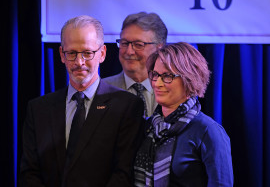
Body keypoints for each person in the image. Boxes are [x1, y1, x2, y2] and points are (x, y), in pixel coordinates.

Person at [20, 15, 144, 187]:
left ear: (102, 54)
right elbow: (29, 173)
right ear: (62, 55)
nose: (79, 62)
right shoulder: (38, 109)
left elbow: (124, 173)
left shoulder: (127, 106)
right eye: (71, 53)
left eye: (87, 53)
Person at [134, 42, 234, 186]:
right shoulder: (148, 126)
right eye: (155, 75)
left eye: (167, 76)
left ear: (189, 79)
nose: (157, 83)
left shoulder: (208, 131)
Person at [103, 12, 168, 118]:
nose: (129, 51)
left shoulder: (174, 90)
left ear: (159, 48)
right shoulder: (101, 91)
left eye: (138, 45)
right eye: (124, 43)